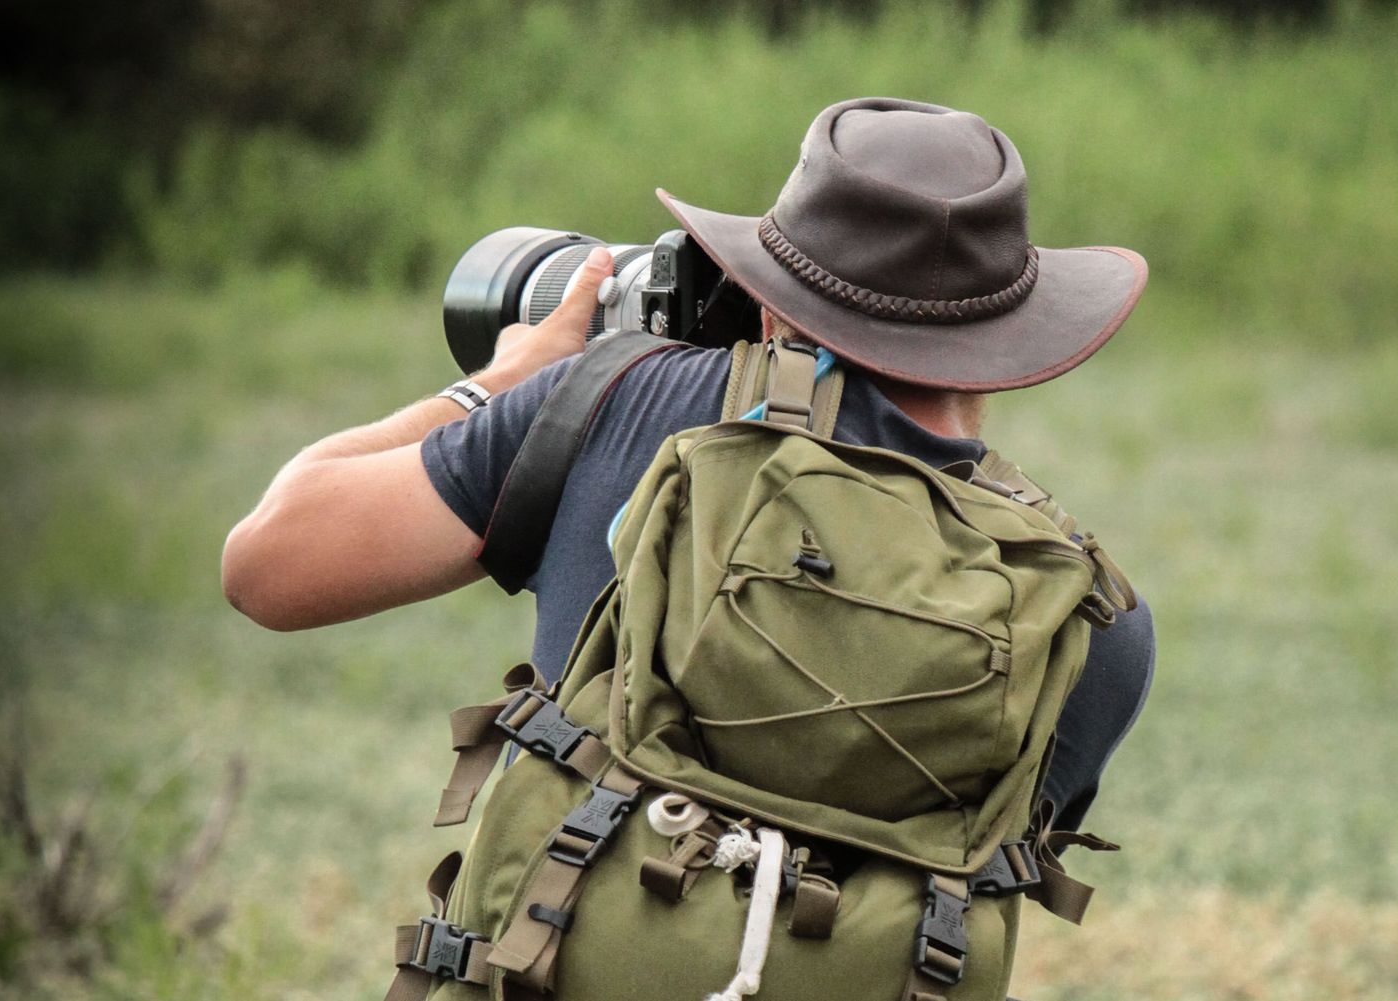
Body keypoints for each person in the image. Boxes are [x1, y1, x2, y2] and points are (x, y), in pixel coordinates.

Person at [222, 96, 1153, 834]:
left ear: (776, 304)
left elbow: (269, 565)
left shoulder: (615, 404)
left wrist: (499, 386)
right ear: (1009, 339)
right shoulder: (1088, 618)